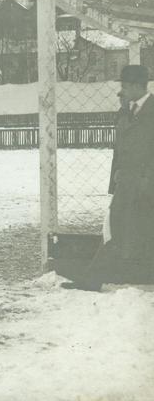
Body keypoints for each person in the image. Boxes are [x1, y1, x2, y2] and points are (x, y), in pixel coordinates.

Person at [62, 65, 154, 291]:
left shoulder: (150, 110)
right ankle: (92, 279)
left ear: (135, 86)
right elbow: (124, 143)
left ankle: (92, 279)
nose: (120, 91)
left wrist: (146, 179)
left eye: (124, 86)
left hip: (145, 184)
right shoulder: (130, 110)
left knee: (131, 230)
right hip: (129, 183)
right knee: (114, 228)